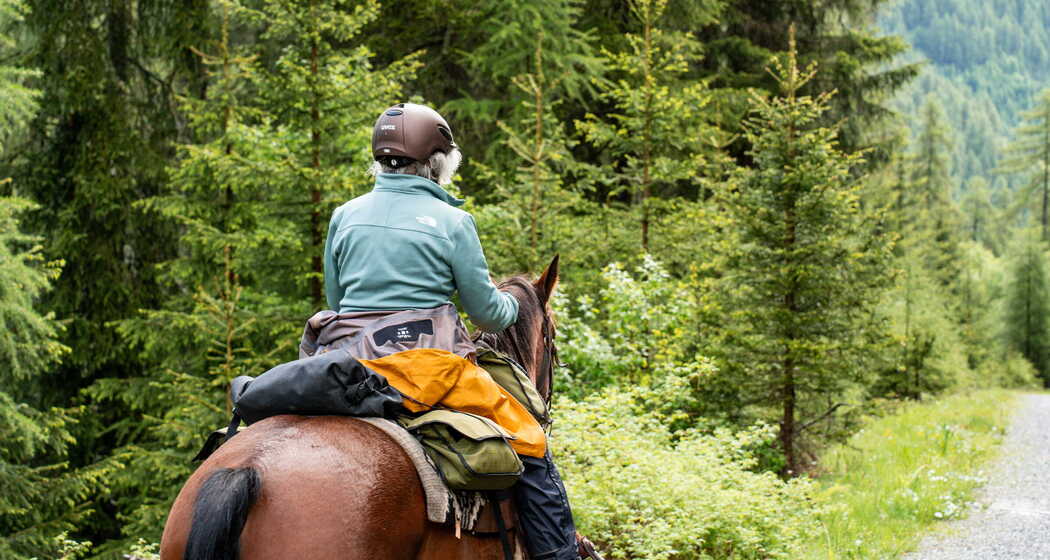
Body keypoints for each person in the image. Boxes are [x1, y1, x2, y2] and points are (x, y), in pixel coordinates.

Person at [321, 102, 600, 560]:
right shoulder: (453, 222)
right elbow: (488, 315)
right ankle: (559, 554)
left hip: (343, 362)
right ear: (436, 161)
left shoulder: (344, 215)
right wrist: (515, 303)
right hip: (424, 367)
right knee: (530, 440)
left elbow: (337, 303)